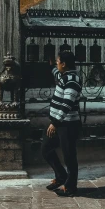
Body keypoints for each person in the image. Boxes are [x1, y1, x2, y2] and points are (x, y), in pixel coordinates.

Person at [42, 50, 83, 197]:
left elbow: (67, 104)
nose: (58, 65)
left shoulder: (72, 80)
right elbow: (56, 73)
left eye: (59, 62)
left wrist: (55, 122)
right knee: (45, 149)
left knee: (69, 156)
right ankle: (61, 176)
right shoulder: (64, 76)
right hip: (59, 123)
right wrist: (52, 65)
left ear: (64, 64)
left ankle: (70, 186)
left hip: (67, 124)